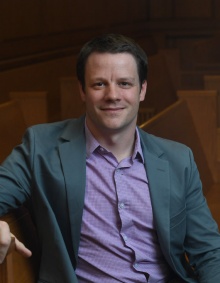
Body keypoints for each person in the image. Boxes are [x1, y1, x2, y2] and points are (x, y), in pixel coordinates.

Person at [0, 33, 220, 283]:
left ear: (142, 90)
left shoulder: (178, 160)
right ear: (82, 90)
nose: (113, 95)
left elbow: (209, 252)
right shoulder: (41, 147)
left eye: (125, 83)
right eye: (99, 84)